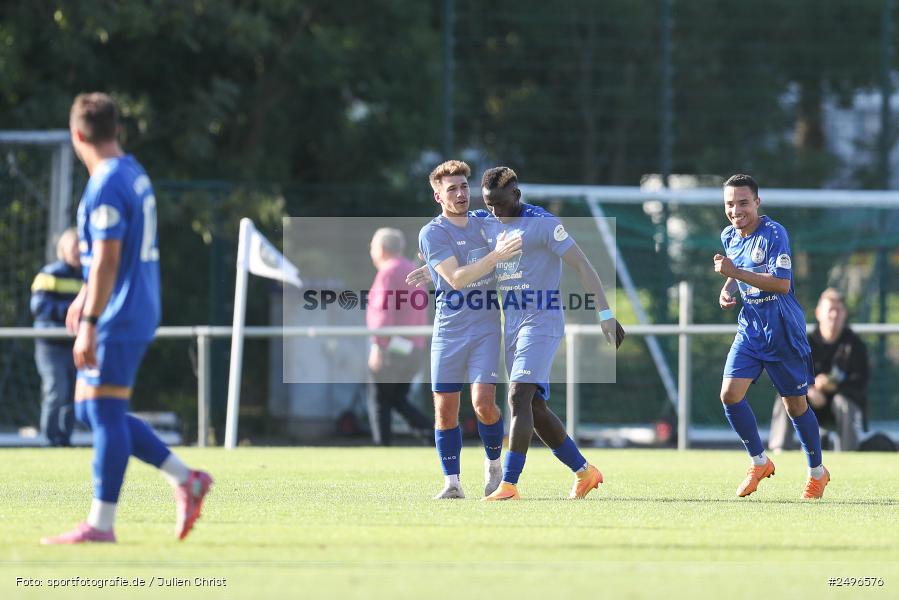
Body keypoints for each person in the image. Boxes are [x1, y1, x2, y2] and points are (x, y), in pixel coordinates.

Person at [42, 93, 213, 544]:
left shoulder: (106, 182)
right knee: (90, 409)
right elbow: (107, 257)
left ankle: (101, 523)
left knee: (101, 409)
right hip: (129, 304)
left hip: (120, 310)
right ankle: (186, 479)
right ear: (116, 129)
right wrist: (85, 297)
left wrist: (92, 319)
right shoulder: (133, 172)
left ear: (78, 135)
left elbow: (107, 260)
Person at [475, 166, 625, 501]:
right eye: (488, 205)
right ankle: (585, 472)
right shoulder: (486, 222)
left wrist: (605, 314)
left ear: (516, 195)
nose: (495, 212)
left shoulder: (543, 224)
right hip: (511, 324)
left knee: (517, 398)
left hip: (541, 322)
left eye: (500, 203)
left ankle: (509, 485)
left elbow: (583, 266)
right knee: (535, 407)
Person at [714, 173, 830, 500]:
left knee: (795, 406)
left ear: (757, 202)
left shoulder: (775, 233)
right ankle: (759, 462)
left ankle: (817, 473)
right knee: (729, 395)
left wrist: (733, 274)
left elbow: (781, 284)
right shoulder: (729, 235)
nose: (736, 210)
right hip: (750, 328)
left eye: (743, 203)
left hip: (782, 330)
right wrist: (728, 287)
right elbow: (738, 267)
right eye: (730, 204)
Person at [417, 159, 519, 499]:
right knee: (445, 409)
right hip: (448, 332)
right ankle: (452, 483)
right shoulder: (432, 233)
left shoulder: (483, 223)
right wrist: (493, 257)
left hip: (486, 329)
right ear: (438, 197)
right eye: (452, 189)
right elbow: (457, 279)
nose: (461, 194)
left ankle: (493, 468)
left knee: (482, 403)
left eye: (464, 187)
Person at [769, 288, 868, 452]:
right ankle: (780, 449)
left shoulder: (855, 345)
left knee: (844, 403)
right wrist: (809, 389)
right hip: (808, 403)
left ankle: (849, 454)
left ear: (844, 314)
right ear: (818, 313)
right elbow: (788, 375)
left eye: (838, 310)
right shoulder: (803, 342)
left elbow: (860, 381)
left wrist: (832, 386)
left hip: (841, 407)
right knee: (785, 396)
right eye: (830, 310)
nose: (834, 316)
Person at [366, 227, 433, 446]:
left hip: (392, 347)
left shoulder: (388, 271)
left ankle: (382, 447)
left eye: (373, 246)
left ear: (382, 249)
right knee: (397, 399)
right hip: (414, 348)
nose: (371, 251)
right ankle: (435, 437)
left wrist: (378, 347)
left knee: (379, 399)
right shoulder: (412, 270)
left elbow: (382, 314)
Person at [31, 228, 82, 447]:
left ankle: (65, 439)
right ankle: (49, 440)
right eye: (74, 247)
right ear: (63, 250)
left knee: (73, 394)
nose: (78, 251)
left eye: (81, 246)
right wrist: (72, 311)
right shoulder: (49, 274)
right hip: (51, 345)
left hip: (75, 344)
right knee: (56, 390)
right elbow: (39, 307)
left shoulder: (88, 276)